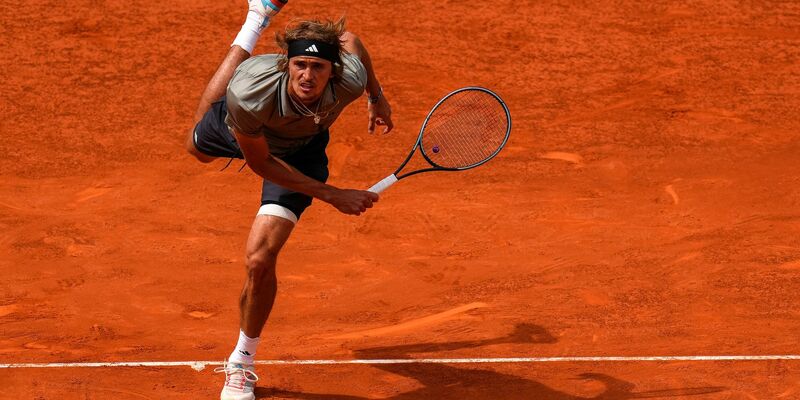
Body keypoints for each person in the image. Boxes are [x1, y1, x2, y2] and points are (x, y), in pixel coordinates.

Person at [185, 1, 393, 399]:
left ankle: (241, 362)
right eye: (299, 65)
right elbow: (261, 163)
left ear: (334, 70)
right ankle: (256, 19)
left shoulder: (349, 78)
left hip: (301, 152)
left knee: (260, 259)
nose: (308, 75)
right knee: (197, 145)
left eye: (318, 67)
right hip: (248, 132)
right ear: (287, 64)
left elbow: (351, 40)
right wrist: (334, 195)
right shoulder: (250, 94)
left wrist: (375, 97)